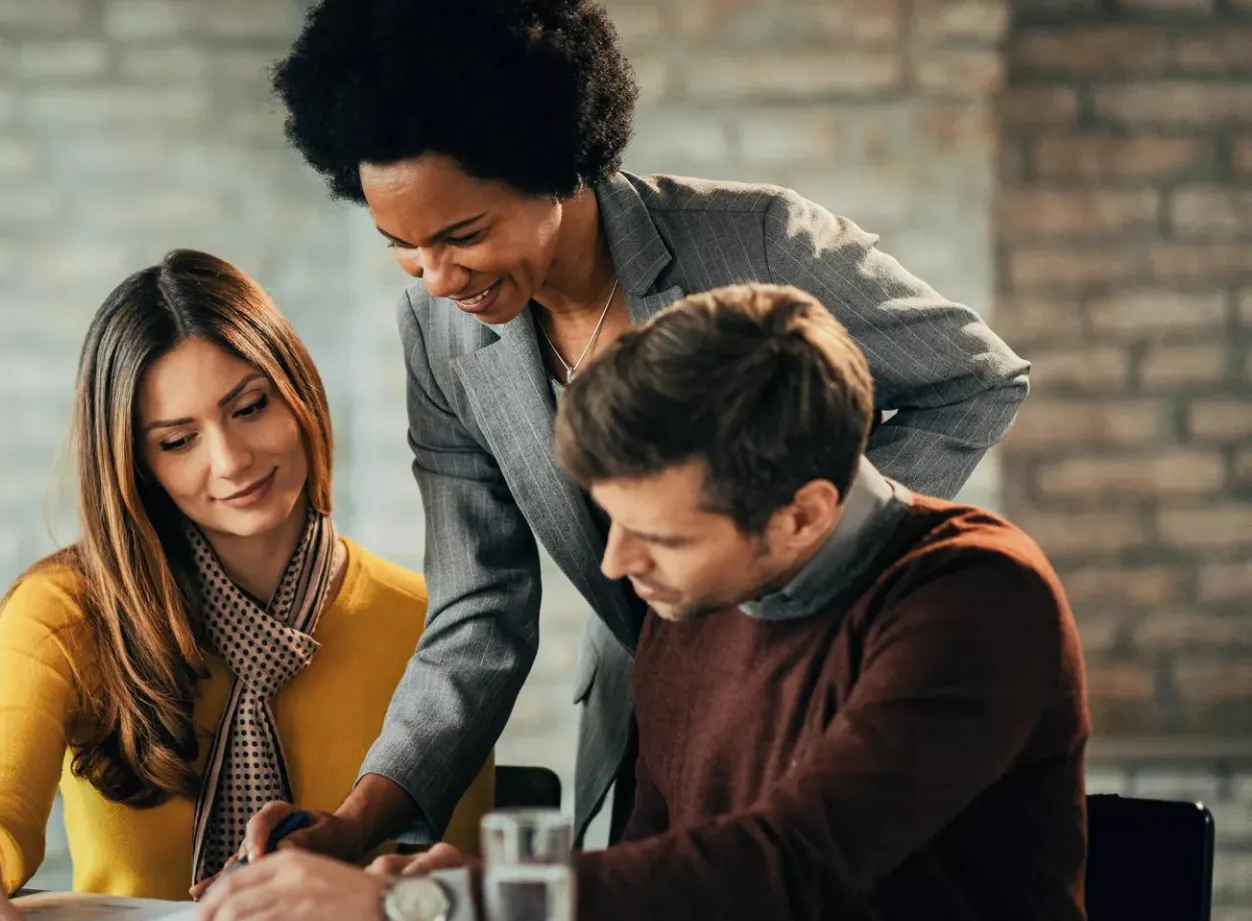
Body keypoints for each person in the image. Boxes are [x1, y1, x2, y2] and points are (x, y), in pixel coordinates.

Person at [238, 0, 1032, 865]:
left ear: (556, 167)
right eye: (401, 244)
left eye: (464, 235)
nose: (435, 278)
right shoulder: (440, 336)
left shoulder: (756, 242)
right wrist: (361, 820)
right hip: (650, 718)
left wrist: (789, 547)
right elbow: (480, 609)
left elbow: (974, 378)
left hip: (813, 680)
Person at [195, 283, 1088, 921]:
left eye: (659, 534)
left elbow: (786, 873)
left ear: (806, 515)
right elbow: (661, 874)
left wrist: (424, 913)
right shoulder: (690, 594)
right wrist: (452, 884)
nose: (616, 566)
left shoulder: (976, 598)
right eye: (612, 520)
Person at [0, 250, 493, 921]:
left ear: (300, 392)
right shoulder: (65, 613)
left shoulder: (431, 623)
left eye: (250, 407)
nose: (230, 460)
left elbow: (457, 885)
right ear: (137, 466)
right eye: (178, 440)